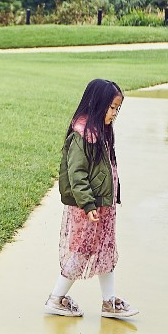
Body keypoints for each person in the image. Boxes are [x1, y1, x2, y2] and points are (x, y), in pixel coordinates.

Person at [45, 78, 139, 320]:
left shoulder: (102, 130)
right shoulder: (83, 134)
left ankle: (109, 302)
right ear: (98, 105)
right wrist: (87, 204)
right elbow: (77, 174)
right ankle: (56, 298)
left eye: (118, 108)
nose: (114, 113)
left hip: (103, 207)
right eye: (112, 107)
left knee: (106, 250)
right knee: (82, 250)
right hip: (88, 208)